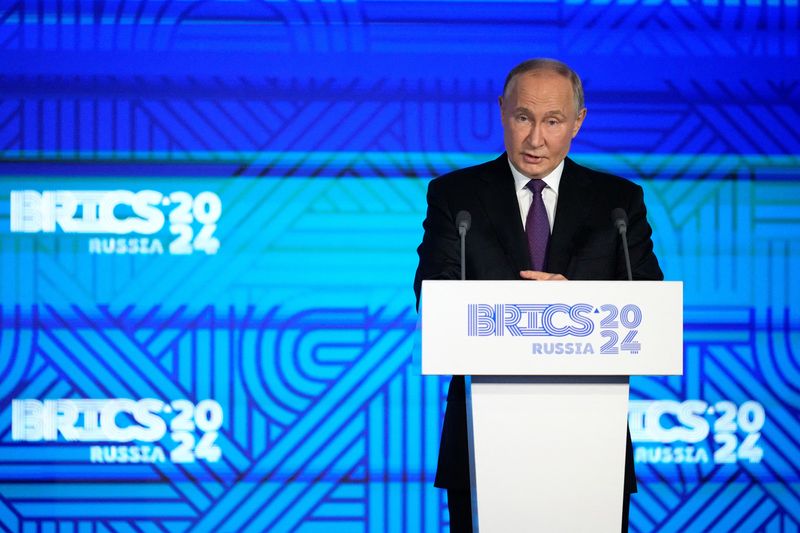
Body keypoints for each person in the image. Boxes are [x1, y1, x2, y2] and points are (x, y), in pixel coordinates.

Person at [413, 58, 663, 532]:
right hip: (481, 442)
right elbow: (434, 298)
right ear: (502, 111)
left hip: (592, 444)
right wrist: (524, 309)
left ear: (577, 123)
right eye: (523, 117)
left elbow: (648, 309)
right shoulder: (455, 197)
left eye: (553, 121)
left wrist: (576, 305)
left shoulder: (618, 203)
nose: (535, 139)